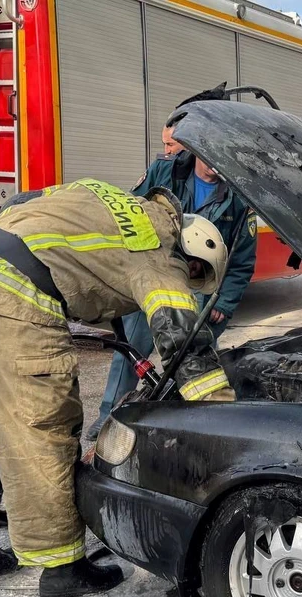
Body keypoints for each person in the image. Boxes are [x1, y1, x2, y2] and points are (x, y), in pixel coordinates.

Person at [0, 181, 235, 597]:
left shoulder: (117, 200)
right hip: (13, 301)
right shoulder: (162, 247)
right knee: (38, 433)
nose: (189, 280)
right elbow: (181, 336)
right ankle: (62, 569)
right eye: (196, 274)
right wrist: (222, 414)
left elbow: (22, 203)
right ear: (191, 251)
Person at [89, 122, 257, 440]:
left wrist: (225, 300)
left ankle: (195, 428)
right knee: (129, 354)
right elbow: (129, 214)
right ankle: (108, 416)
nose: (216, 164)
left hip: (199, 293)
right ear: (195, 149)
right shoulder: (164, 173)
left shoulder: (239, 197)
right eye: (209, 155)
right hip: (151, 279)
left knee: (197, 364)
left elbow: (242, 260)